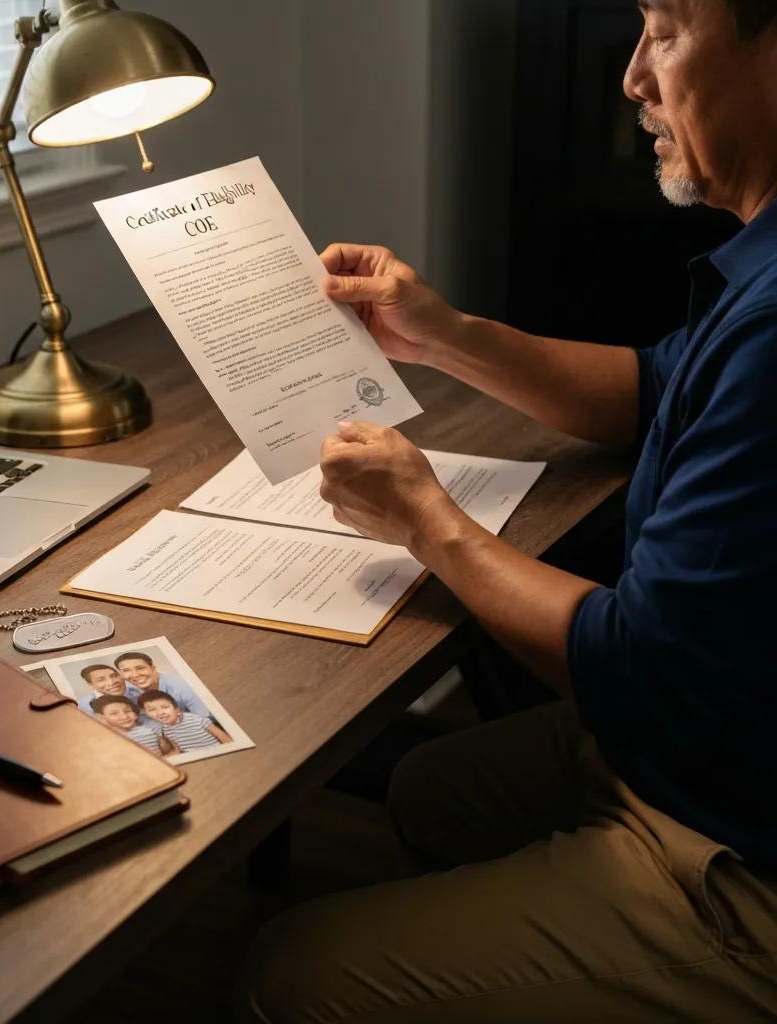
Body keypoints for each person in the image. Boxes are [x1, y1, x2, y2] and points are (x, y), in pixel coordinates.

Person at [238, 1, 777, 1020]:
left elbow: (634, 665)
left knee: (288, 973)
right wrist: (441, 333)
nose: (631, 76)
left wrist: (423, 521)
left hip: (744, 848)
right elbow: (652, 388)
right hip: (724, 742)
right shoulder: (759, 263)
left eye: (664, 29)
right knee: (426, 789)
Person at [114, 651, 214, 720]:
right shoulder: (125, 690)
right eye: (126, 670)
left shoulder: (179, 685)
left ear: (153, 668)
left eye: (140, 668)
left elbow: (206, 718)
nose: (135, 675)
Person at [138, 689, 233, 751]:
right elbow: (174, 750)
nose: (160, 713)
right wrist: (160, 738)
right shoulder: (161, 730)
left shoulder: (196, 719)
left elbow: (223, 736)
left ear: (177, 710)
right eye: (152, 710)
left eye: (164, 707)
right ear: (147, 714)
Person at [89, 695, 178, 757]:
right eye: (114, 713)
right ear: (101, 718)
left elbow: (169, 751)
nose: (124, 716)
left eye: (127, 711)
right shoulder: (107, 739)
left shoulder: (150, 730)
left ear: (135, 713)